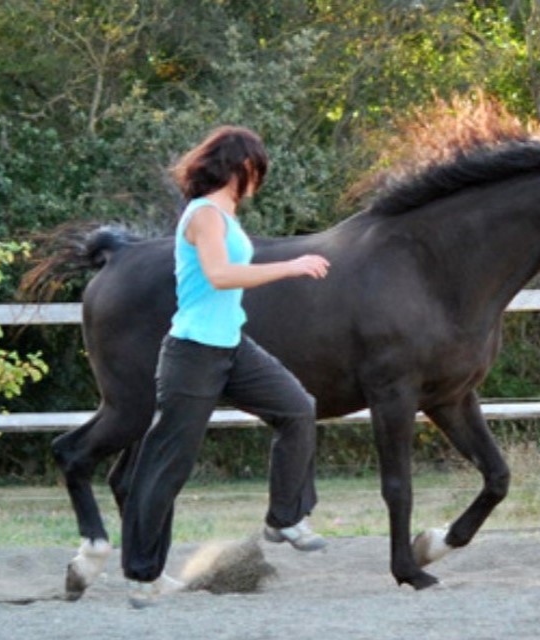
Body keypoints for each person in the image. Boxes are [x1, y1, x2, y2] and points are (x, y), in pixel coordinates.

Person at [120, 126, 330, 607]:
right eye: (257, 168)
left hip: (231, 345)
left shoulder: (228, 215)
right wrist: (291, 265)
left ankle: (285, 518)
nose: (260, 178)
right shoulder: (205, 215)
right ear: (241, 167)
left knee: (298, 408)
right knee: (167, 465)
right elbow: (219, 275)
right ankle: (142, 575)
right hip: (193, 352)